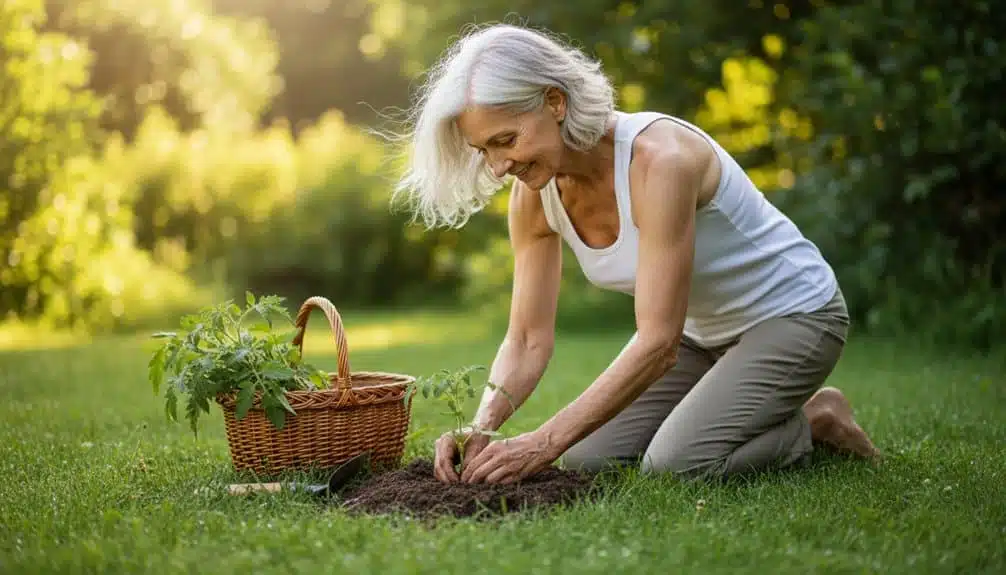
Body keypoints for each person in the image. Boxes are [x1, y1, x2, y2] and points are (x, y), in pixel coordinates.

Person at [392, 23, 881, 485]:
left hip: (792, 316)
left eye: (506, 140)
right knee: (589, 459)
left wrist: (542, 442)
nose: (499, 166)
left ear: (555, 102)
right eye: (484, 150)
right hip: (701, 333)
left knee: (675, 465)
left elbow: (658, 342)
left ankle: (817, 422)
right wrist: (483, 427)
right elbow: (525, 337)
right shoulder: (533, 196)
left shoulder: (660, 161)